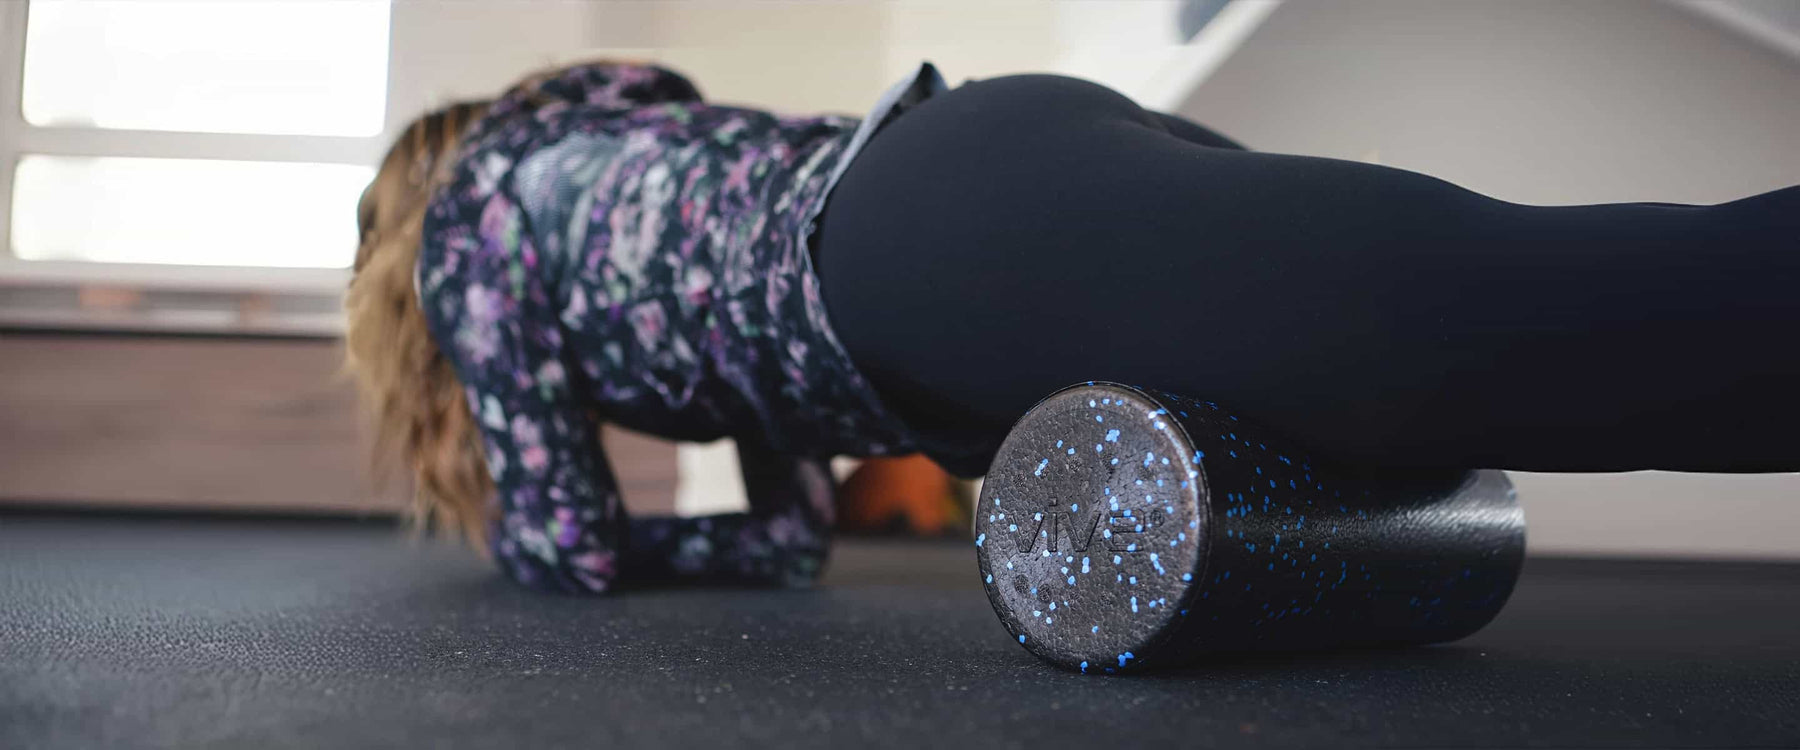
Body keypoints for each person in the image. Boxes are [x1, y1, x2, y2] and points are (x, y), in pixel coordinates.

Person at [346, 60, 1798, 595]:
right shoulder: (609, 139)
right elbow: (788, 507)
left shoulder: (476, 232)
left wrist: (675, 545)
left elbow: (564, 546)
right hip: (974, 157)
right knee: (1495, 342)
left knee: (1529, 331)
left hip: (949, 249)